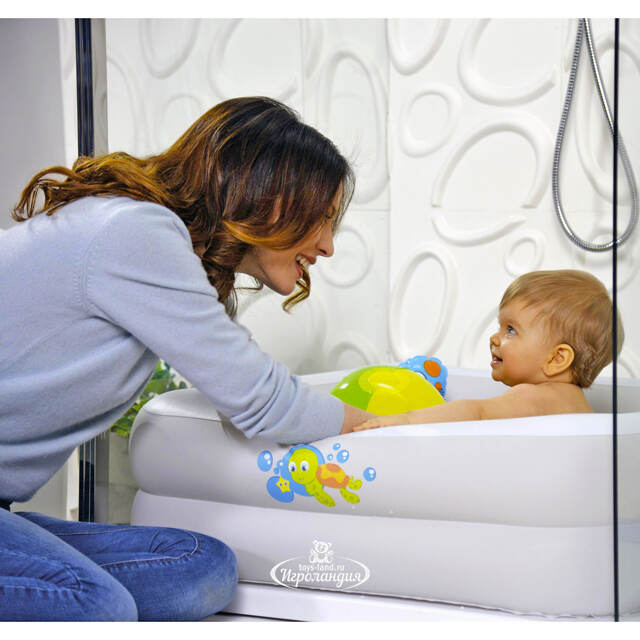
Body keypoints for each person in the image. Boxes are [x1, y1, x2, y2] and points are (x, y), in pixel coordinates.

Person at [0, 96, 373, 621]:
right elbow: (262, 400)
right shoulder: (135, 232)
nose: (328, 245)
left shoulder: (161, 248)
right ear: (266, 197)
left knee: (199, 568)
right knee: (96, 608)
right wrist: (390, 423)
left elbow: (241, 383)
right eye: (321, 218)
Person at [354, 269, 623, 432]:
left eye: (511, 330)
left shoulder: (533, 397)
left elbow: (476, 413)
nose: (495, 338)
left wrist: (406, 421)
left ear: (557, 359)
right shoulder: (578, 406)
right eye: (500, 326)